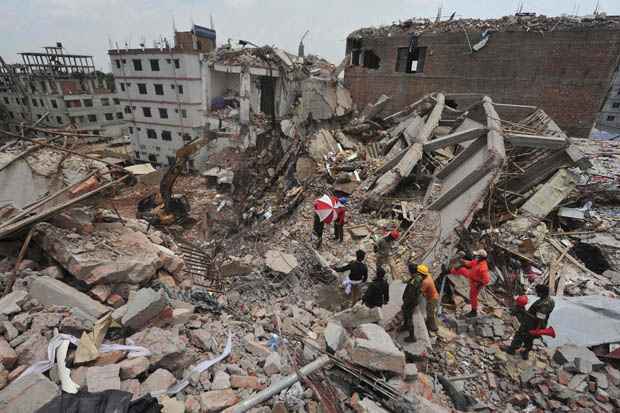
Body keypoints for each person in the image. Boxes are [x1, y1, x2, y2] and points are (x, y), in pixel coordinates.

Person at [502, 285, 555, 360]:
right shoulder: (550, 300)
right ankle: (525, 353)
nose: (537, 294)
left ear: (542, 293)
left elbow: (538, 318)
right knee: (529, 339)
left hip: (532, 324)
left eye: (538, 292)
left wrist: (524, 312)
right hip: (537, 324)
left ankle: (511, 350)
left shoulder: (544, 305)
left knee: (520, 335)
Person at [450, 249, 490, 318]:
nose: (476, 256)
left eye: (477, 255)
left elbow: (486, 280)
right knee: (461, 269)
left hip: (476, 283)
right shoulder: (477, 262)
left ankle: (474, 311)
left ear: (481, 257)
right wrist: (461, 261)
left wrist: (479, 285)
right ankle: (449, 270)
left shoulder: (483, 268)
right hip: (471, 276)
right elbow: (470, 263)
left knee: (472, 296)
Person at [399, 263, 424, 343]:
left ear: (410, 271)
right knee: (405, 313)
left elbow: (411, 294)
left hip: (410, 302)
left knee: (409, 317)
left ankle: (412, 336)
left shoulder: (414, 282)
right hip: (413, 301)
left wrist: (406, 303)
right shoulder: (418, 277)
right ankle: (405, 326)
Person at [418, 264, 440, 333]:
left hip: (433, 298)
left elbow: (419, 292)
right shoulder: (428, 276)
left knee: (430, 313)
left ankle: (434, 328)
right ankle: (428, 326)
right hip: (433, 296)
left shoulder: (426, 282)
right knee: (429, 312)